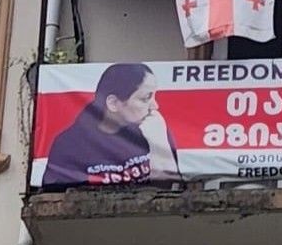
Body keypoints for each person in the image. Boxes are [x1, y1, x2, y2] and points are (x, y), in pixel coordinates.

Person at [42, 63, 180, 186]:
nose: (155, 106)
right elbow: (55, 197)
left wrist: (159, 145)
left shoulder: (153, 127)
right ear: (113, 103)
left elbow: (173, 190)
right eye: (145, 98)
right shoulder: (70, 145)